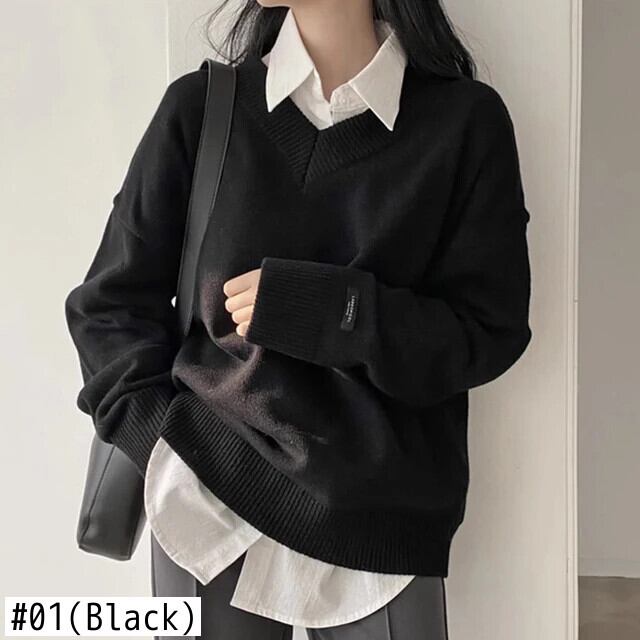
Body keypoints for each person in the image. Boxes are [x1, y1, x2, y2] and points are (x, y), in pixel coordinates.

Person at [65, 1, 532, 638]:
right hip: (205, 506)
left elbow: (488, 330)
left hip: (381, 526)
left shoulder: (464, 124)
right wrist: (163, 443)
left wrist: (333, 311)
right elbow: (109, 306)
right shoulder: (202, 109)